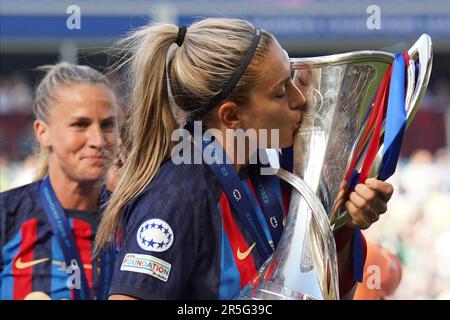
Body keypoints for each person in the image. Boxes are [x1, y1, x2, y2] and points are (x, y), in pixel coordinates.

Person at [94, 18, 393, 300]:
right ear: (232, 115)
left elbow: (324, 289)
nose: (299, 100)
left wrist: (343, 226)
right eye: (279, 93)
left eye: (290, 79)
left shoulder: (276, 170)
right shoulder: (177, 196)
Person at [0, 63, 119, 300]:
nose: (97, 140)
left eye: (107, 125)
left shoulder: (136, 221)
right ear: (43, 132)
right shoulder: (6, 216)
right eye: (80, 125)